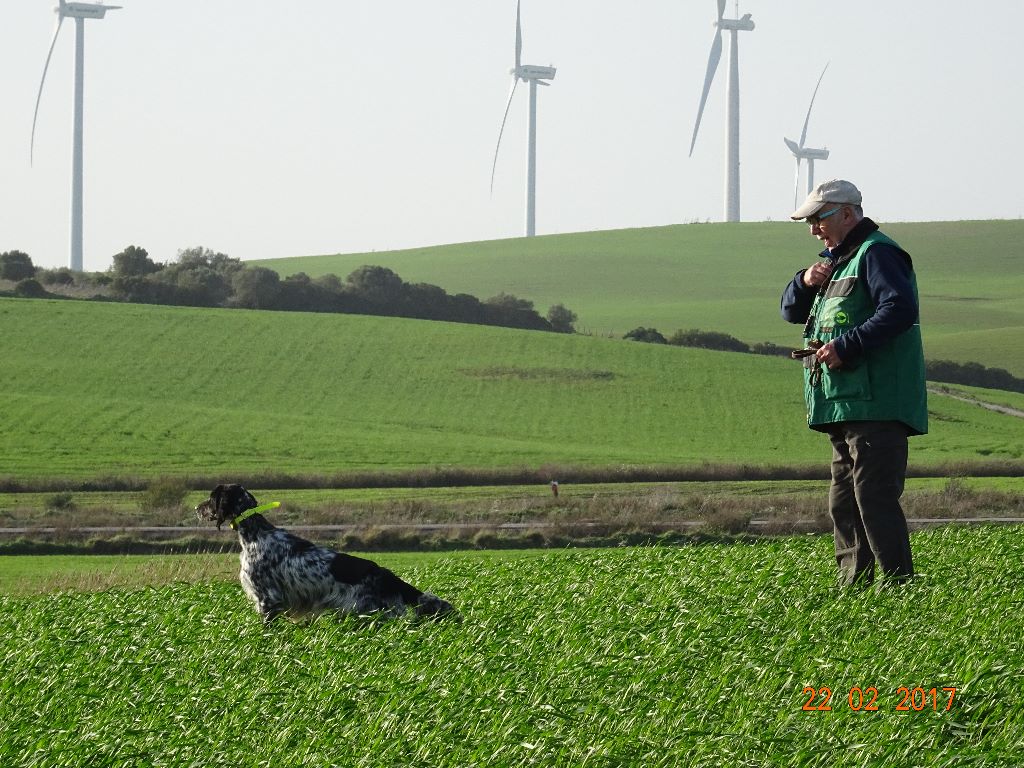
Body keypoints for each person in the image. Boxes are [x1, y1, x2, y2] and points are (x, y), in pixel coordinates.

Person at [780, 179, 927, 587]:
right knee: (843, 501)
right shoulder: (835, 262)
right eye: (809, 221)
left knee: (872, 497)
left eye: (818, 218)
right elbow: (791, 312)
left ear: (847, 213)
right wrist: (804, 282)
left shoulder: (877, 253)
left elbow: (898, 310)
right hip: (842, 401)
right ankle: (854, 588)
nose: (813, 229)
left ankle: (897, 587)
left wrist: (848, 346)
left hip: (876, 399)